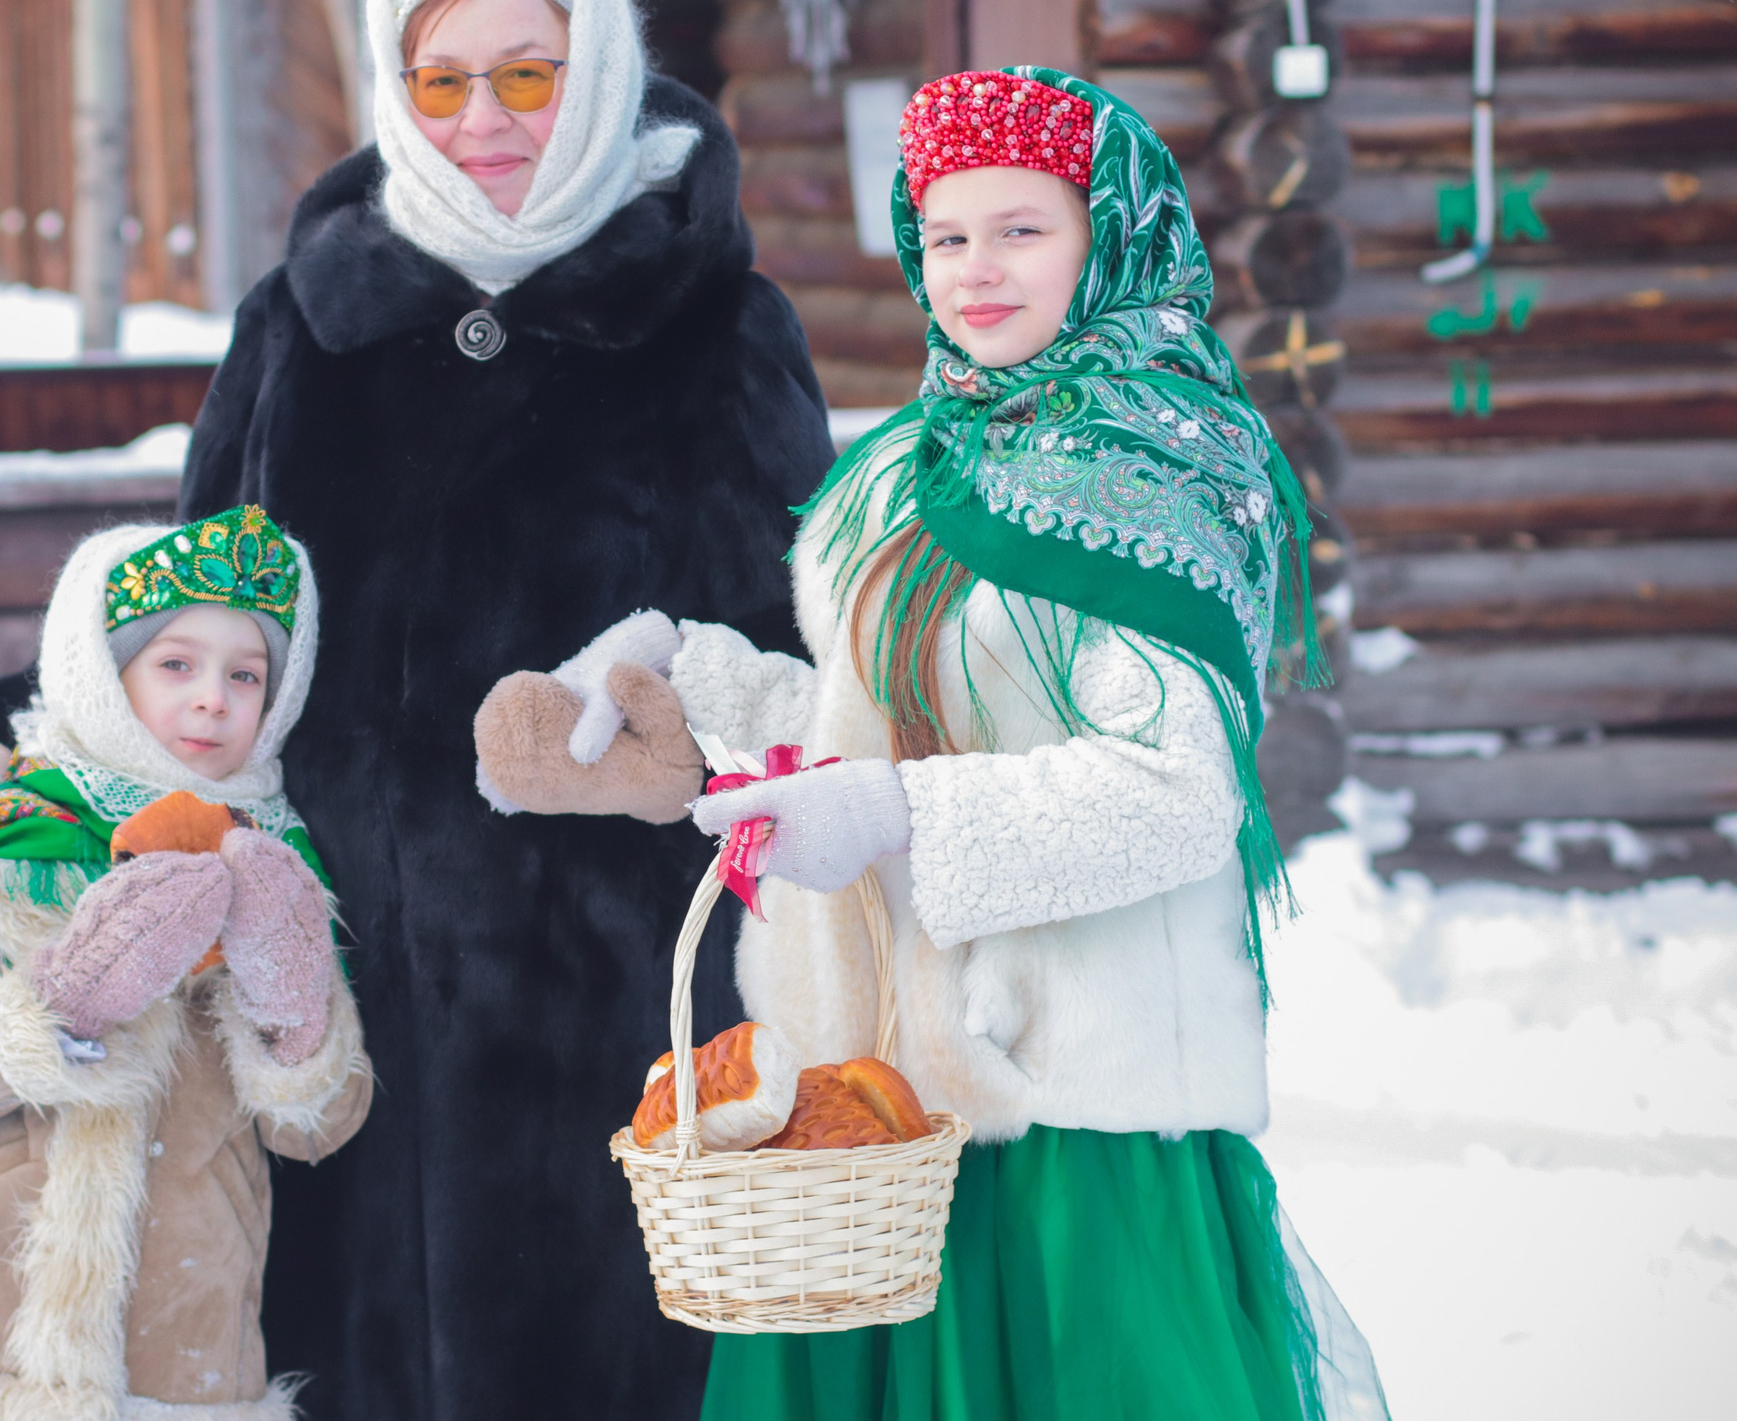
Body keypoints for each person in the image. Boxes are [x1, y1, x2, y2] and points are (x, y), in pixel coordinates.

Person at [0, 0, 837, 1421]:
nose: (485, 118)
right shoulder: (302, 324)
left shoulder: (720, 327)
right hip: (331, 1006)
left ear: (600, 70)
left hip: (621, 1011)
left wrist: (672, 725)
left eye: (528, 73)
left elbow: (806, 653)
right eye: (442, 77)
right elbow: (192, 618)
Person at [486, 68, 1391, 1419]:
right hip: (874, 1105)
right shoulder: (902, 470)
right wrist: (690, 676)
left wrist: (898, 814)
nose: (976, 268)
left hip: (1071, 1112)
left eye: (1022, 229)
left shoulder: (1160, 467)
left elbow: (1177, 792)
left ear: (1106, 237)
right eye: (948, 233)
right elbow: (863, 719)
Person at [0, 505, 372, 1421]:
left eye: (246, 674)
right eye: (176, 664)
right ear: (106, 672)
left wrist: (294, 1009)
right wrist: (64, 997)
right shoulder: (9, 840)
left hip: (189, 1359)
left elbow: (316, 1128)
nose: (213, 698)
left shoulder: (276, 865)